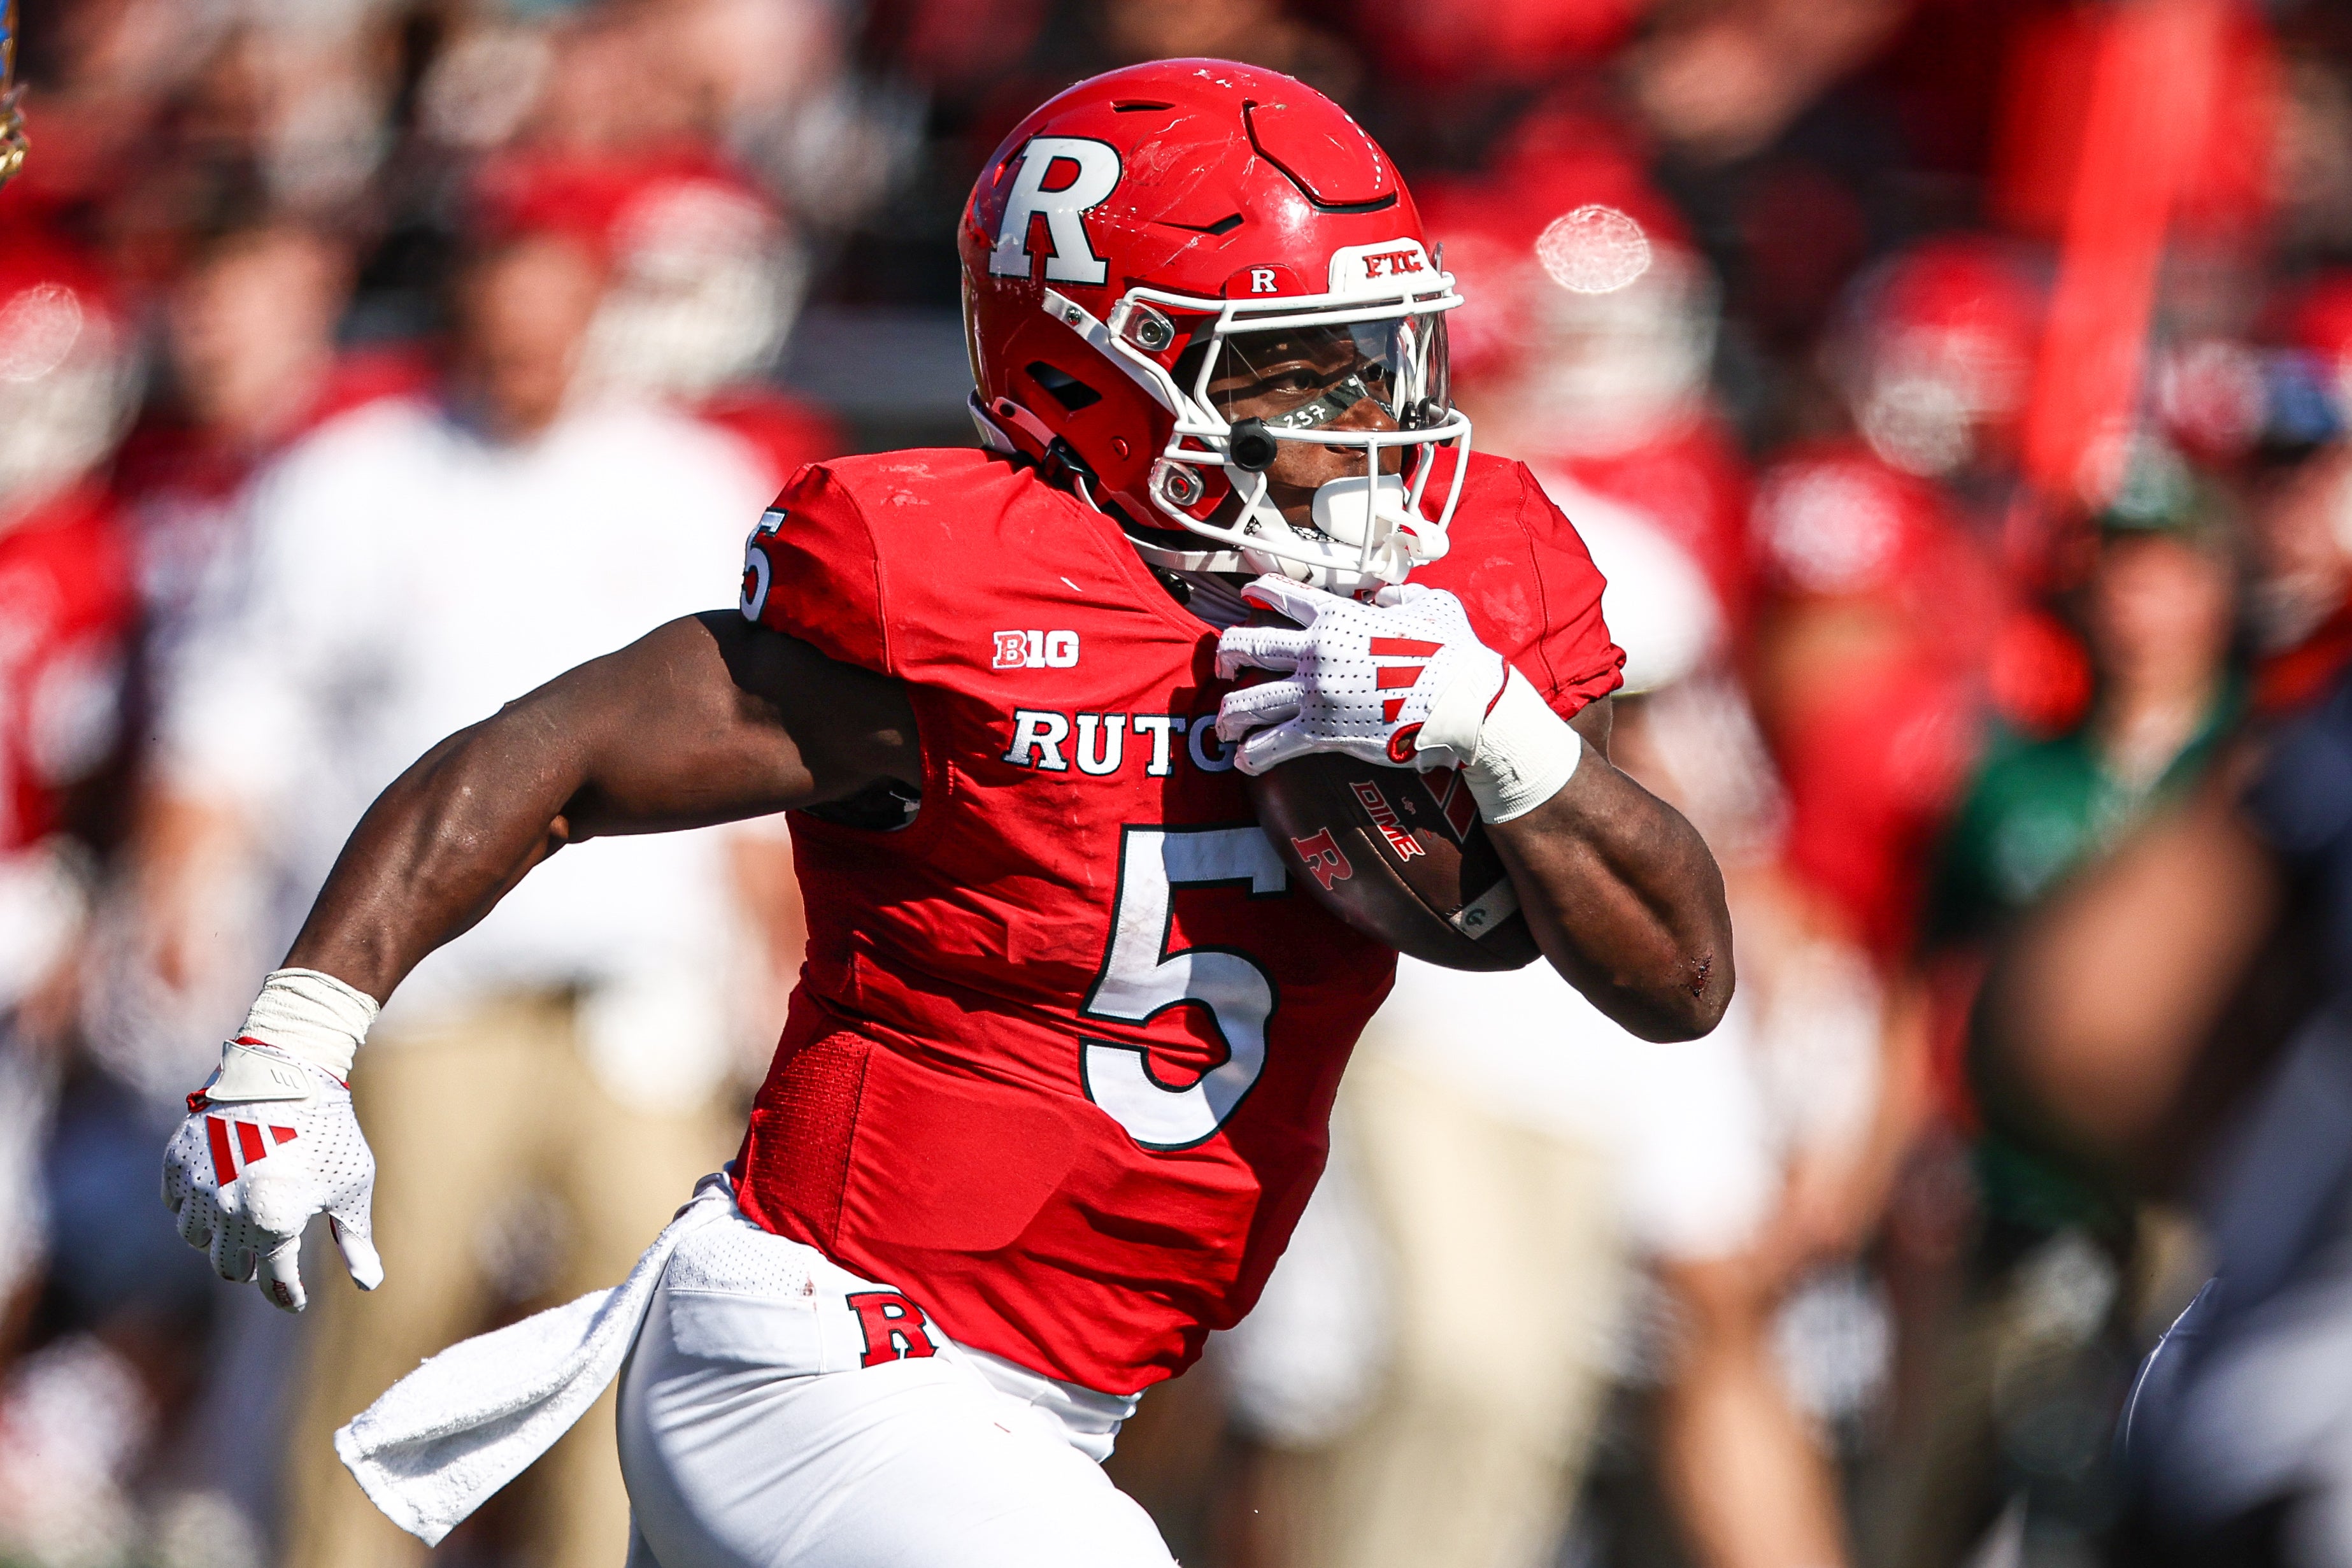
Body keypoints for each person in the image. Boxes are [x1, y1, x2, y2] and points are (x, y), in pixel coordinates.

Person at [159, 61, 1734, 1568]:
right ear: (1087, 366)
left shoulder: (1460, 604)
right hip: (823, 1353)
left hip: (1048, 1412)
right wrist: (296, 1036)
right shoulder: (955, 593)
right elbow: (555, 754)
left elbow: (1677, 979)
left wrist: (1503, 737)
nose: (1366, 425)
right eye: (1294, 369)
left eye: (1382, 356)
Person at [146, 221, 780, 1568]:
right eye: (501, 319)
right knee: (388, 1312)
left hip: (635, 987)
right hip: (425, 991)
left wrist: (771, 964)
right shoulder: (356, 479)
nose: (526, 357)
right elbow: (235, 719)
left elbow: (762, 769)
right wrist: (187, 910)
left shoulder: (687, 479)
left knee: (638, 1335)